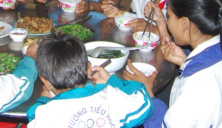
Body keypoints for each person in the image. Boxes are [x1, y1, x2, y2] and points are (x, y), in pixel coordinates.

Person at [125, 0, 222, 127]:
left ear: (185, 24)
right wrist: (186, 61)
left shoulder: (197, 83)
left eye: (169, 17)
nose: (168, 22)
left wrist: (148, 94)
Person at [26, 32, 154, 128]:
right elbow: (145, 102)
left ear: (45, 81)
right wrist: (112, 82)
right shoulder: (111, 97)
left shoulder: (46, 113)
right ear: (88, 68)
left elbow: (32, 117)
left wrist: (45, 100)